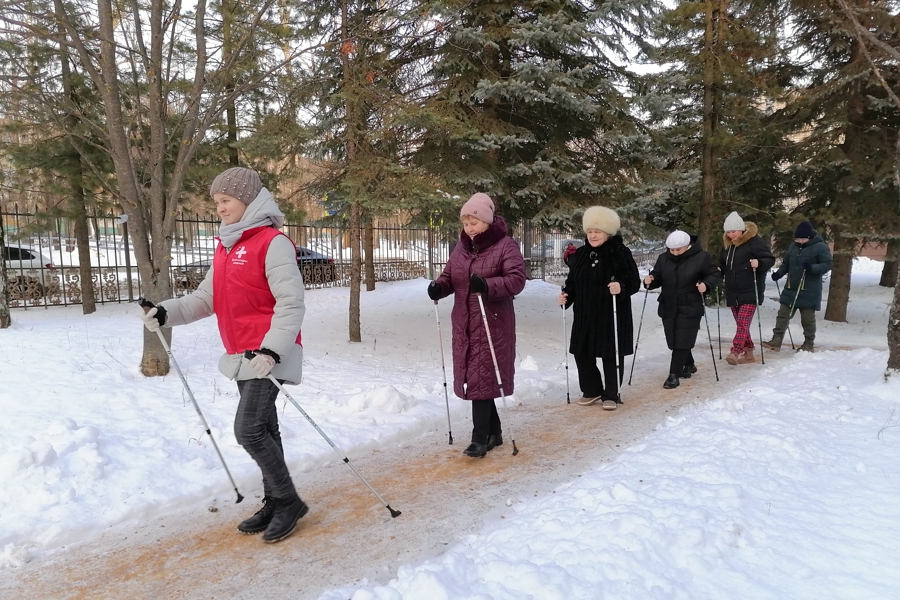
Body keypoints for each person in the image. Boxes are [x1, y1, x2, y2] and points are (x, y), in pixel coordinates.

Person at [138, 167, 308, 544]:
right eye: (217, 202)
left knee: (248, 430)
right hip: (242, 355)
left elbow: (291, 303)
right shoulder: (227, 246)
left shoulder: (272, 242)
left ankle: (288, 500)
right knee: (265, 429)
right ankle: (275, 500)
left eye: (225, 200)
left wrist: (271, 349)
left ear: (246, 199)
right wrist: (166, 312)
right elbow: (205, 299)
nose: (219, 208)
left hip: (268, 354)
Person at [427, 193, 526, 458]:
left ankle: (479, 438)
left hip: (492, 323)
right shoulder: (460, 247)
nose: (469, 228)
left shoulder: (506, 246)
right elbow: (450, 276)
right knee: (480, 379)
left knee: (482, 378)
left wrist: (488, 286)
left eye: (475, 222)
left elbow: (517, 279)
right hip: (465, 323)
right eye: (466, 223)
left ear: (487, 221)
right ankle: (494, 432)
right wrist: (439, 287)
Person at [557, 206, 640, 410]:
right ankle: (592, 389)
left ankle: (611, 393)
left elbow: (633, 281)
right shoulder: (581, 254)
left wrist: (621, 287)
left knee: (611, 353)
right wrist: (567, 296)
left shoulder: (620, 252)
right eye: (590, 231)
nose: (593, 235)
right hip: (585, 313)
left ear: (608, 233)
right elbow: (572, 282)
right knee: (581, 352)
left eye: (598, 231)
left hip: (611, 313)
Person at [643, 230, 721, 389]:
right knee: (674, 341)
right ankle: (689, 364)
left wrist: (706, 285)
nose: (675, 253)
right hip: (668, 305)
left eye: (678, 250)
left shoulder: (701, 257)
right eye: (672, 250)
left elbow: (714, 274)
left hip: (690, 304)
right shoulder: (664, 258)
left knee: (682, 339)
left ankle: (673, 375)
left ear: (688, 246)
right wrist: (650, 280)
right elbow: (657, 276)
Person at [762, 220, 833, 352]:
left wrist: (812, 267)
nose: (799, 241)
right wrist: (779, 274)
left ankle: (808, 343)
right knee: (782, 315)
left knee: (807, 319)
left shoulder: (820, 247)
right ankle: (776, 340)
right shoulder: (793, 246)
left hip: (809, 289)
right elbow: (786, 263)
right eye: (797, 238)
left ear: (809, 237)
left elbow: (827, 264)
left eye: (802, 239)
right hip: (791, 287)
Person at [719, 211, 775, 365]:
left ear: (742, 230)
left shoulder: (754, 242)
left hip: (750, 290)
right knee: (741, 325)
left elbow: (769, 259)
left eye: (734, 231)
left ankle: (736, 351)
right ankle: (749, 353)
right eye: (728, 232)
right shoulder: (728, 247)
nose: (731, 235)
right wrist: (717, 271)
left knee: (743, 323)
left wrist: (760, 263)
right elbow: (722, 264)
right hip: (732, 291)